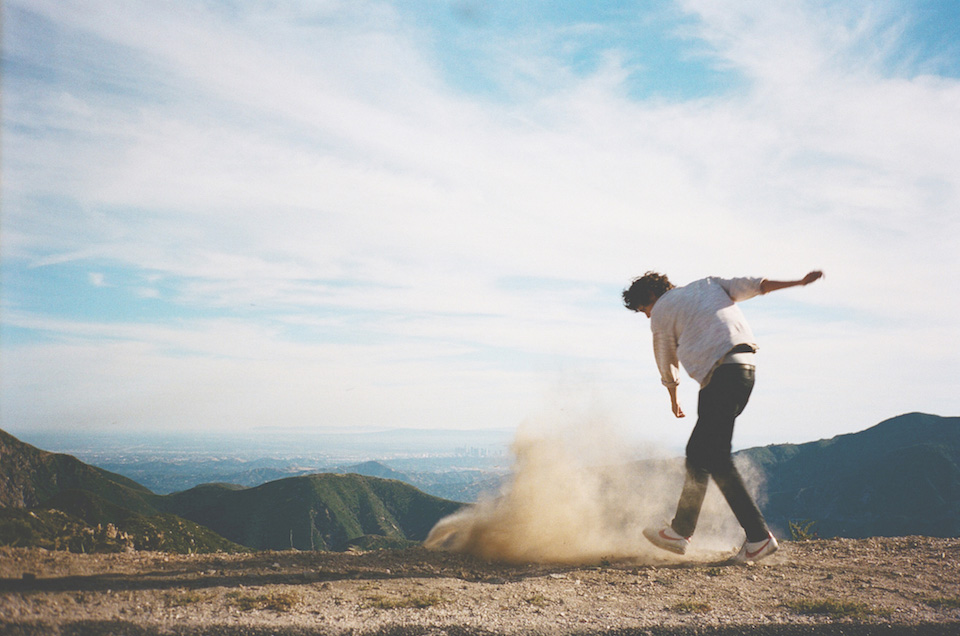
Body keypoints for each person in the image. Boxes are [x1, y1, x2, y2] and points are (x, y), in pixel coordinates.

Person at [622, 270, 824, 563]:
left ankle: (756, 537)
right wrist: (798, 282)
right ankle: (681, 532)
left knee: (714, 456)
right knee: (700, 453)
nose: (646, 316)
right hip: (745, 370)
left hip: (721, 374)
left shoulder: (662, 310)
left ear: (651, 297)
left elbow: (665, 360)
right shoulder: (707, 284)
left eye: (644, 309)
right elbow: (758, 286)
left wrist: (673, 397)